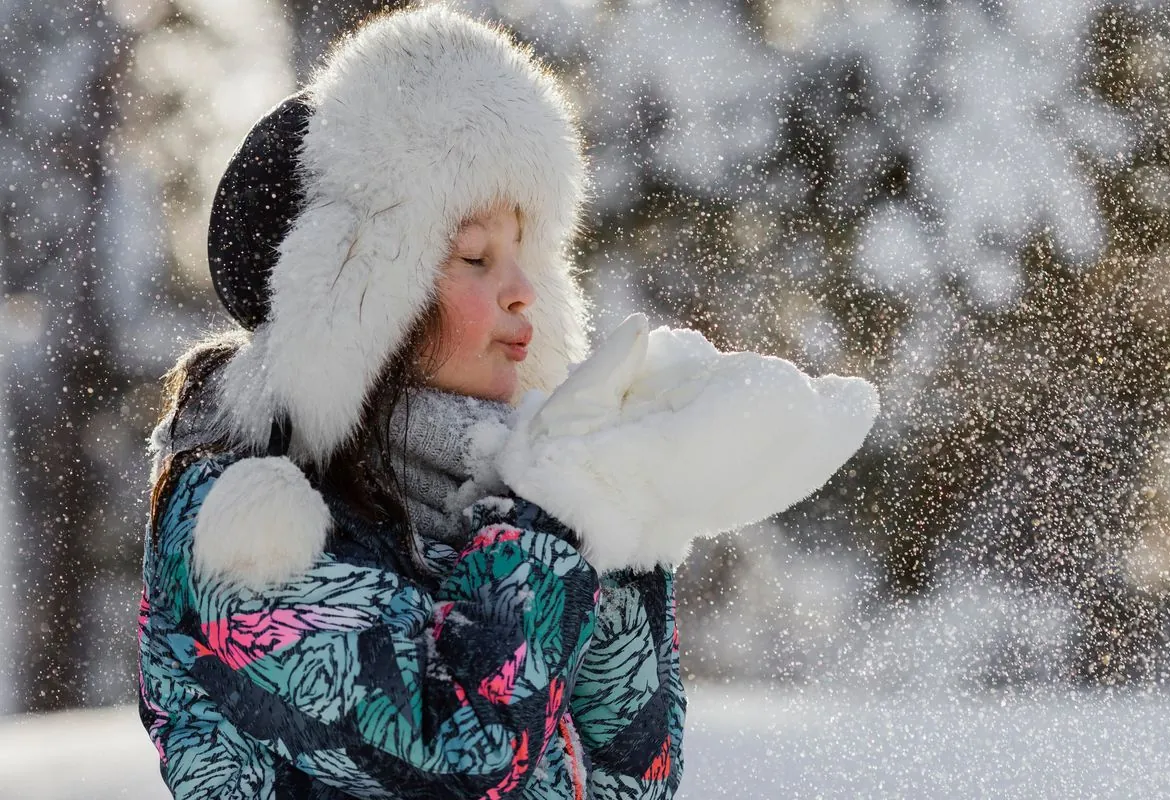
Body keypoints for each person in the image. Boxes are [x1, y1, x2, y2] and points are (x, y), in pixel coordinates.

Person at [137, 6, 879, 799]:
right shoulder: (240, 523)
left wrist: (628, 515)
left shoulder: (500, 501)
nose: (524, 291)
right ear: (362, 294)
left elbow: (633, 780)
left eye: (526, 251)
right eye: (475, 256)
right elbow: (459, 757)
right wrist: (560, 510)